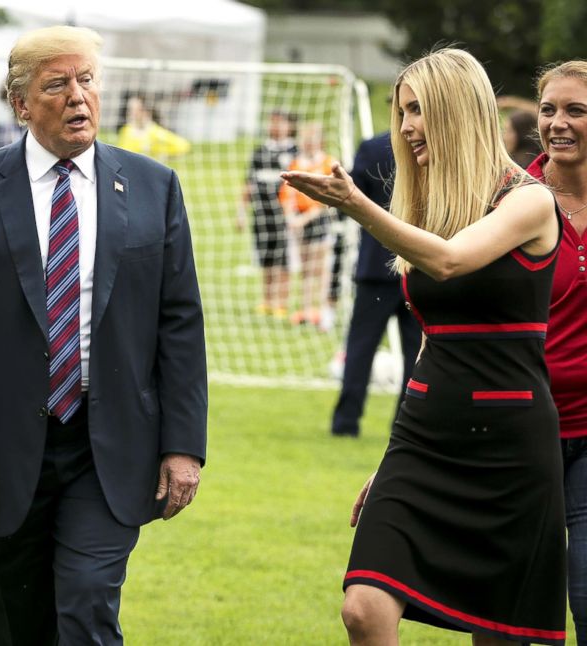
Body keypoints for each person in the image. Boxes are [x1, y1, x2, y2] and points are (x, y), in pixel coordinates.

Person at [0, 25, 207, 645]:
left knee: (87, 605)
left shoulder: (155, 187)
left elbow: (179, 321)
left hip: (110, 447)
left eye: (88, 80)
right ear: (20, 104)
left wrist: (184, 444)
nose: (78, 97)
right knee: (9, 623)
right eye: (57, 85)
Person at [282, 48, 565, 645]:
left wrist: (357, 204)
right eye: (401, 111)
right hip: (425, 436)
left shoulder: (530, 199)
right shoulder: (433, 207)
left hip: (511, 446)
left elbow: (448, 261)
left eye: (418, 111)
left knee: (499, 632)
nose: (406, 126)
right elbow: (429, 341)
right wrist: (390, 456)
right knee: (363, 606)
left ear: (458, 111)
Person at [527, 60, 587, 645]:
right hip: (524, 430)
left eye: (576, 110)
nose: (558, 123)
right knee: (520, 608)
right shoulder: (513, 200)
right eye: (549, 109)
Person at [330, 131, 422, 438]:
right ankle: (404, 424)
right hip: (418, 265)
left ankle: (346, 422)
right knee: (416, 353)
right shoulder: (432, 147)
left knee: (361, 347)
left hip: (377, 266)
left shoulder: (372, 147)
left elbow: (351, 199)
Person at [237, 109, 297, 317]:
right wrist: (241, 212)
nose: (275, 126)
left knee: (283, 257)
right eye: (272, 122)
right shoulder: (260, 151)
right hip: (261, 213)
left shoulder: (295, 151)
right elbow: (249, 183)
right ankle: (267, 301)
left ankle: (281, 301)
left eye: (280, 122)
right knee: (266, 256)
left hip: (285, 215)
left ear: (289, 126)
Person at [279, 121, 335, 328]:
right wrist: (291, 217)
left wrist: (305, 218)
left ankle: (320, 310)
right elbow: (286, 192)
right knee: (304, 269)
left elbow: (327, 197)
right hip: (298, 221)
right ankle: (305, 309)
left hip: (318, 220)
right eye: (305, 139)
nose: (308, 143)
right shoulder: (296, 163)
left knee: (319, 268)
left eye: (312, 139)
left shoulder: (328, 162)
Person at [116, 94, 191, 160]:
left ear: (145, 111)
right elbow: (120, 153)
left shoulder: (155, 131)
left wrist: (157, 151)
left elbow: (183, 145)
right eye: (130, 109)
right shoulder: (126, 130)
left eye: (136, 110)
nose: (131, 113)